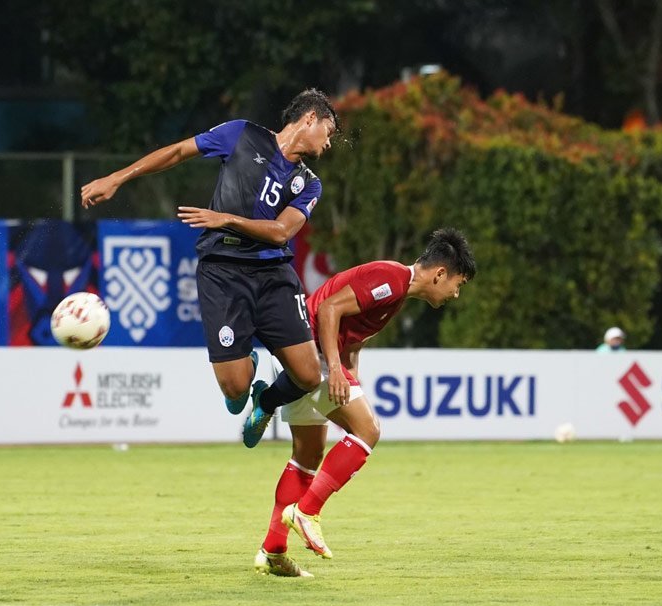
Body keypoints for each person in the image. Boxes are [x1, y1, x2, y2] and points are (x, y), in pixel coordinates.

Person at [80, 90, 339, 442]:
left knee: (309, 376)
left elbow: (281, 233)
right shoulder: (241, 134)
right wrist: (117, 178)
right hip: (223, 271)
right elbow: (177, 152)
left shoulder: (309, 183)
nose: (329, 142)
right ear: (310, 118)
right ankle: (247, 370)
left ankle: (266, 400)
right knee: (234, 390)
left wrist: (225, 219)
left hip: (272, 274)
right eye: (329, 130)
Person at [253, 228, 476, 577]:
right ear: (440, 274)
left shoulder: (397, 292)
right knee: (367, 430)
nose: (456, 294)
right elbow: (329, 310)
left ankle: (273, 550)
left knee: (307, 457)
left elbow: (352, 331)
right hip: (311, 354)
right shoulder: (391, 278)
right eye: (457, 284)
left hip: (302, 349)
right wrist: (337, 370)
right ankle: (306, 511)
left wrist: (350, 365)